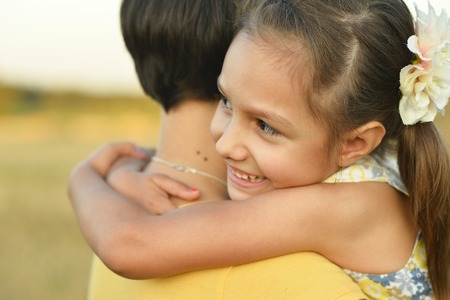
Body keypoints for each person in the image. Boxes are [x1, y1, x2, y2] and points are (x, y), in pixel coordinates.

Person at [69, 0, 450, 299]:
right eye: (226, 100)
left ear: (355, 142)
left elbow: (129, 246)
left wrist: (85, 178)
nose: (225, 142)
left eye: (265, 126)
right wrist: (130, 167)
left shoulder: (339, 208)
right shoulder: (374, 164)